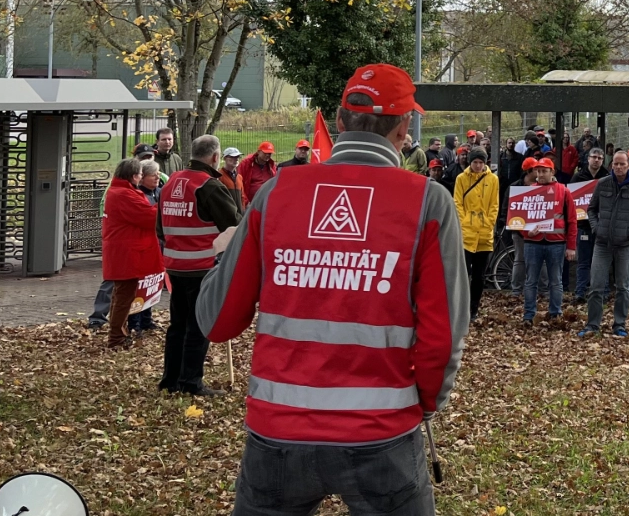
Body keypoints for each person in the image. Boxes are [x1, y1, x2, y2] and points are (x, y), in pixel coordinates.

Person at [196, 63, 467, 516]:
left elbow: (217, 320)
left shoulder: (275, 192)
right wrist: (423, 404)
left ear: (340, 122)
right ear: (404, 128)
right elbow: (443, 334)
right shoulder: (428, 201)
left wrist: (226, 255)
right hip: (381, 432)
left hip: (277, 432)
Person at [158, 135, 239, 396]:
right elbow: (234, 224)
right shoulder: (208, 185)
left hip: (175, 266)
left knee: (178, 325)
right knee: (198, 325)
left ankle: (170, 379)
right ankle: (190, 382)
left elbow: (160, 227)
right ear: (216, 157)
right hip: (201, 267)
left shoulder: (171, 182)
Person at [580, 150, 629, 338]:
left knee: (623, 286)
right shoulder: (603, 184)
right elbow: (591, 209)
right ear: (611, 165)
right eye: (616, 164)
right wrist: (596, 228)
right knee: (595, 285)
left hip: (626, 245)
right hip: (602, 243)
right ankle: (592, 325)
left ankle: (619, 324)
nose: (618, 167)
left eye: (622, 164)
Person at [101, 157, 161, 349]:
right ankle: (116, 337)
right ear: (134, 176)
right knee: (124, 296)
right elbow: (150, 216)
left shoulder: (118, 191)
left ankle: (119, 332)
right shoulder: (125, 195)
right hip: (126, 253)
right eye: (140, 175)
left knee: (121, 295)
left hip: (121, 250)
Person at [520, 156, 578, 326]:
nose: (540, 174)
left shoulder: (564, 191)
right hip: (533, 242)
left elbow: (572, 221)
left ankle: (555, 313)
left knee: (556, 281)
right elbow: (520, 216)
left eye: (544, 171)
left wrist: (571, 246)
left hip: (556, 243)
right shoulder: (529, 190)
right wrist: (526, 232)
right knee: (531, 280)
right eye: (538, 171)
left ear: (552, 172)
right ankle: (528, 315)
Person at [453, 149, 500, 321]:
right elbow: (457, 202)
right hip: (466, 233)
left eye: (481, 162)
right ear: (470, 162)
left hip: (484, 234)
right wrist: (465, 222)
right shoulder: (461, 179)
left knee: (479, 276)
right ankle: (460, 307)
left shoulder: (493, 179)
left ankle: (474, 308)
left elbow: (494, 204)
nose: (478, 165)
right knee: (464, 274)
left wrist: (488, 223)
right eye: (475, 162)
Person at [571, 147, 609, 302]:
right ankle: (580, 292)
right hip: (584, 225)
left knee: (602, 261)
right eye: (594, 157)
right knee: (584, 261)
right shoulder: (578, 178)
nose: (597, 160)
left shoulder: (607, 177)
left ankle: (603, 292)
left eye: (600, 158)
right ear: (588, 158)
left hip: (602, 226)